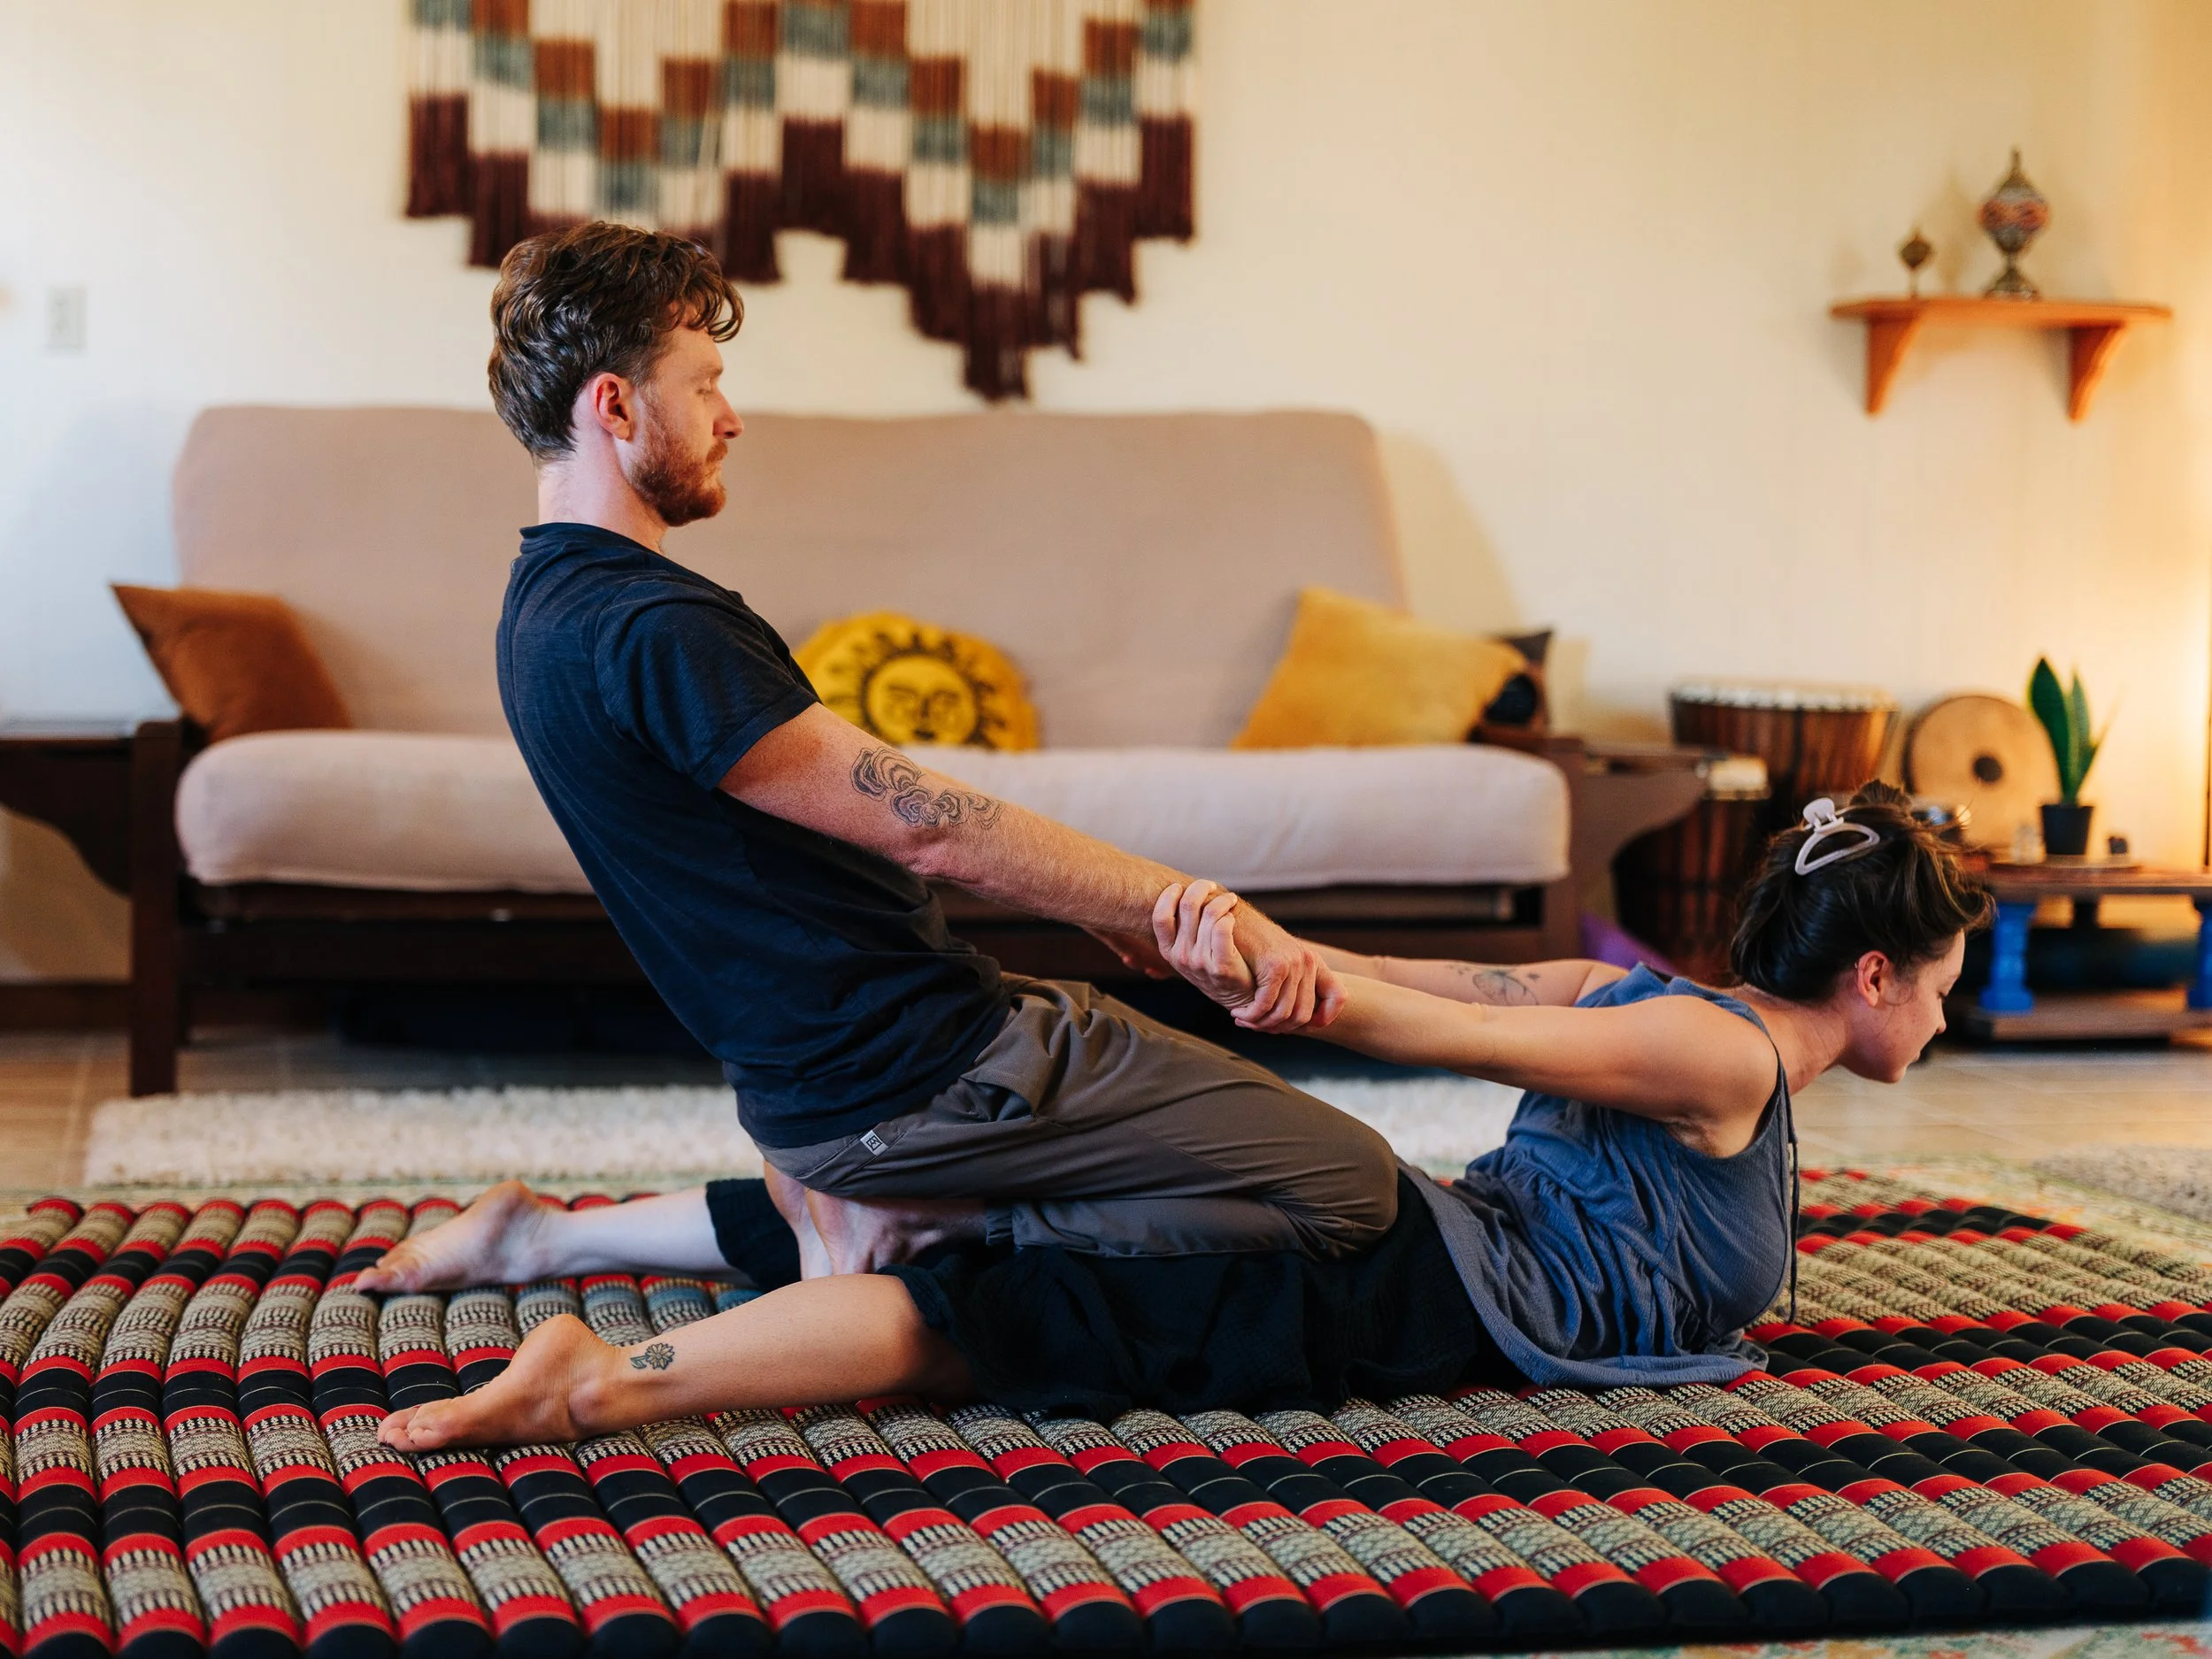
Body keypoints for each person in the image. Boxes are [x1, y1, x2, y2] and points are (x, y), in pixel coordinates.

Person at [377, 783, 1991, 1452]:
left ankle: (545, 1236)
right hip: (1411, 1294)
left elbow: (1413, 982)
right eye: (1941, 981)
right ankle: (601, 1385)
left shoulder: (1625, 994)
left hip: (1424, 1244)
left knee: (1007, 1232)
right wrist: (1259, 974)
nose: (1945, 1011)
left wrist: (1276, 960)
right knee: (1006, 1315)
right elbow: (1415, 1016)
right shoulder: (1724, 1063)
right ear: (1867, 973)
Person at [421, 218, 1399, 1282]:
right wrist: (1169, 910)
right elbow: (929, 826)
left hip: (833, 1092)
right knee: (1355, 1189)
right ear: (614, 404)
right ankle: (931, 1231)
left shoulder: (542, 609)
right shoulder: (655, 626)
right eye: (704, 384)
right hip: (928, 1077)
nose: (730, 417)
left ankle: (562, 1237)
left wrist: (1102, 910)